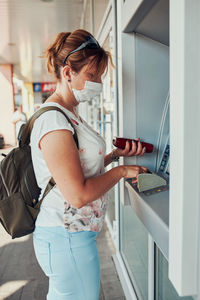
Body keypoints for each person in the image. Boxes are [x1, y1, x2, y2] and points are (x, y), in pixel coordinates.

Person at [31, 29, 148, 300]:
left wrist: (114, 156)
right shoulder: (54, 122)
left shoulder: (68, 113)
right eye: (92, 75)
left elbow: (75, 168)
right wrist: (120, 172)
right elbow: (78, 194)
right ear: (68, 72)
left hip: (70, 238)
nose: (97, 82)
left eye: (100, 77)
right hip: (66, 239)